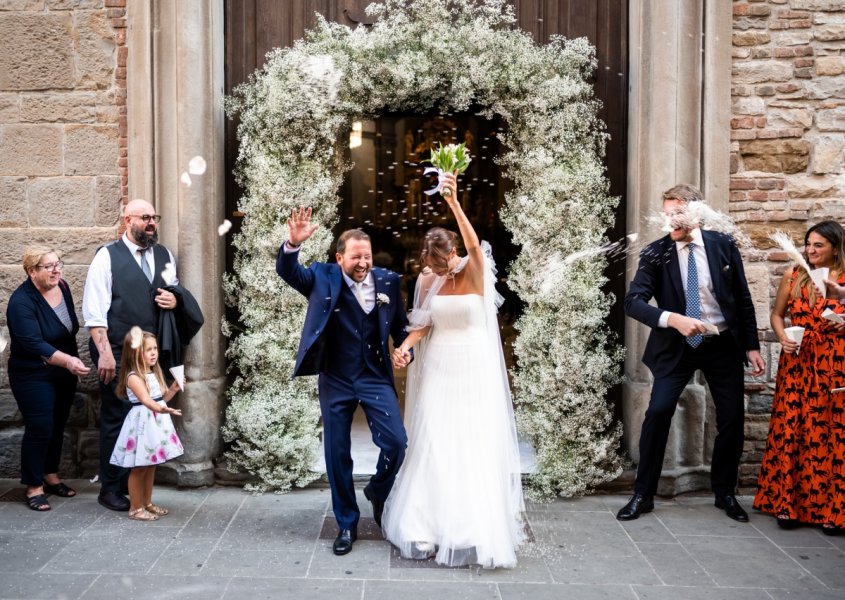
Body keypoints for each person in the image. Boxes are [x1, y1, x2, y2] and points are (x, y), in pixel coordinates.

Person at [382, 172, 525, 568]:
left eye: (439, 263)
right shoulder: (430, 276)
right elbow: (425, 322)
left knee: (469, 441)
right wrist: (405, 349)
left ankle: (467, 525)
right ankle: (424, 523)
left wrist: (454, 201)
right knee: (434, 437)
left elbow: (475, 243)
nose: (435, 271)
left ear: (452, 254)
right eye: (428, 265)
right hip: (440, 366)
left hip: (473, 367)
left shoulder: (476, 267)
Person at [618, 184, 765, 522]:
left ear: (698, 213)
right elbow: (633, 302)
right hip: (676, 347)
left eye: (678, 214)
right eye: (668, 214)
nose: (672, 221)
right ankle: (643, 494)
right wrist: (674, 320)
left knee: (731, 418)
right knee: (658, 412)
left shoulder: (723, 246)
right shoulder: (656, 253)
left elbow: (742, 298)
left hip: (722, 346)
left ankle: (725, 492)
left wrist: (752, 347)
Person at [276, 211, 411, 556]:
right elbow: (288, 271)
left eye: (367, 255)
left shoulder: (389, 282)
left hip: (374, 375)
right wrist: (293, 243)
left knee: (396, 442)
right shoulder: (322, 276)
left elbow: (400, 328)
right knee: (337, 453)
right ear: (340, 258)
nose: (363, 262)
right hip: (335, 377)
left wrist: (406, 351)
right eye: (356, 257)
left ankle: (378, 490)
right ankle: (346, 523)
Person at [82, 199, 180, 512]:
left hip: (152, 355)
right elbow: (94, 312)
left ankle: (136, 489)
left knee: (145, 419)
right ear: (127, 220)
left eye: (155, 217)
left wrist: (174, 300)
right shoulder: (107, 257)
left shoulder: (163, 254)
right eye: (145, 217)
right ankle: (110, 488)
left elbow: (175, 290)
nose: (152, 222)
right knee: (117, 418)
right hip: (117, 353)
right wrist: (104, 356)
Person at [754, 220, 845, 535]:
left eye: (819, 245)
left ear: (836, 247)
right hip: (798, 363)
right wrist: (782, 337)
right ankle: (788, 505)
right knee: (794, 430)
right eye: (809, 244)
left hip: (835, 365)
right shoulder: (794, 276)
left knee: (832, 434)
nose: (811, 250)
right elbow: (777, 315)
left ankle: (833, 512)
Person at [6, 247, 91, 511]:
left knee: (57, 423)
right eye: (48, 266)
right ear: (31, 271)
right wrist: (69, 361)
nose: (56, 270)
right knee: (40, 425)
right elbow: (33, 343)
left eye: (58, 264)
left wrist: (67, 363)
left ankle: (50, 474)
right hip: (32, 373)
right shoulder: (21, 302)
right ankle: (33, 485)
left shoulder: (62, 286)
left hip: (62, 371)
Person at [109, 328, 184, 521]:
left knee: (150, 465)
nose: (154, 353)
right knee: (138, 467)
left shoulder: (153, 372)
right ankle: (135, 508)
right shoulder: (133, 376)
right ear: (135, 353)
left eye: (155, 348)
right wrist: (162, 410)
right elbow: (146, 400)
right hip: (142, 424)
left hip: (154, 422)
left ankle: (147, 503)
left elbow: (160, 398)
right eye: (148, 349)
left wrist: (173, 390)